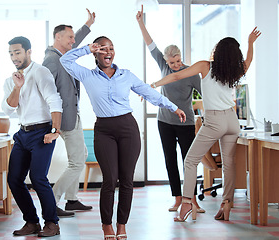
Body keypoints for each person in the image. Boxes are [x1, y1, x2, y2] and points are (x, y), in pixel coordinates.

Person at [60, 36, 186, 239]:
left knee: (126, 180)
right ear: (96, 53)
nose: (108, 52)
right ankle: (106, 225)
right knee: (109, 180)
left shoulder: (126, 75)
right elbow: (65, 61)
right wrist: (86, 49)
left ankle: (121, 225)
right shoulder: (87, 75)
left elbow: (149, 92)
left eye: (111, 48)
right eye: (102, 48)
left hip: (128, 128)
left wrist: (173, 107)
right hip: (104, 130)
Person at [151, 27, 261, 222]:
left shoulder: (206, 66)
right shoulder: (235, 71)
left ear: (217, 52)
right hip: (232, 121)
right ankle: (227, 203)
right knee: (228, 164)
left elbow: (177, 76)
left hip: (215, 121)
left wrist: (154, 85)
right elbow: (249, 60)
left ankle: (186, 203)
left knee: (190, 161)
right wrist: (250, 42)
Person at [136, 5, 204, 212]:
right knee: (170, 160)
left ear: (181, 57)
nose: (175, 65)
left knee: (188, 161)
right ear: (165, 61)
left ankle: (192, 199)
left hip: (186, 123)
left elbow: (204, 95)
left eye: (178, 61)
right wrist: (140, 22)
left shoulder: (191, 73)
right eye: (172, 62)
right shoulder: (163, 66)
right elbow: (150, 44)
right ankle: (177, 198)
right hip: (165, 121)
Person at [2, 36, 63, 237]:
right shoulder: (11, 80)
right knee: (14, 179)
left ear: (28, 52)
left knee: (38, 178)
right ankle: (31, 221)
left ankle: (52, 223)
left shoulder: (40, 72)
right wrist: (17, 87)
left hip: (42, 131)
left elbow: (54, 100)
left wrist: (55, 131)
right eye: (11, 53)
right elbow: (8, 108)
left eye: (17, 52)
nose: (14, 57)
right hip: (23, 133)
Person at [42, 8, 95, 217]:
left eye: (74, 37)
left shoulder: (63, 55)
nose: (73, 41)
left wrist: (88, 25)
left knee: (81, 154)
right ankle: (52, 201)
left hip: (73, 114)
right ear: (58, 37)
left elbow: (77, 42)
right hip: (64, 118)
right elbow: (46, 92)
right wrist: (55, 122)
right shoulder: (51, 60)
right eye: (69, 37)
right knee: (77, 161)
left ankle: (72, 200)